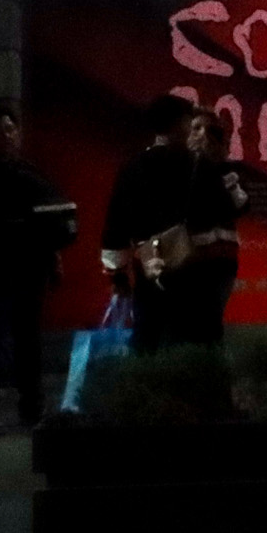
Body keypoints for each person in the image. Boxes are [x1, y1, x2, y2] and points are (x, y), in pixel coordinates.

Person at [0, 103, 76, 424]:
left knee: (28, 339)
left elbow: (52, 214)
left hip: (30, 267)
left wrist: (53, 254)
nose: (8, 136)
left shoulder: (29, 171)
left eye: (11, 129)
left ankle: (32, 404)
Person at [98, 94, 196, 355]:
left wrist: (117, 272)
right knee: (191, 336)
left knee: (147, 332)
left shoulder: (133, 167)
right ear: (178, 123)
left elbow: (117, 223)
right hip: (195, 261)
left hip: (148, 261)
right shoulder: (195, 165)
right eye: (189, 121)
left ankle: (146, 387)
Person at [172, 107, 249, 348]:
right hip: (188, 257)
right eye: (196, 129)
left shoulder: (224, 169)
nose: (202, 135)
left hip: (222, 259)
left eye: (210, 130)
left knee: (211, 323)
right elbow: (185, 206)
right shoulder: (177, 164)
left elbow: (241, 205)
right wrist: (199, 162)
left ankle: (212, 374)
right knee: (188, 324)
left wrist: (218, 163)